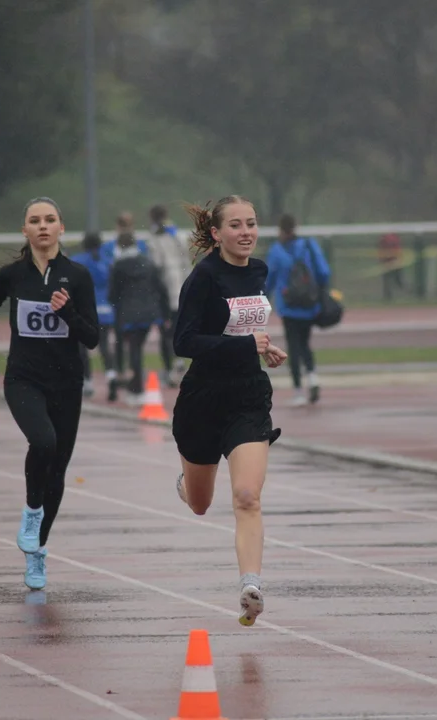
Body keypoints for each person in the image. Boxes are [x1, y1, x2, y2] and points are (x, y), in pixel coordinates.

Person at [0, 197, 99, 590]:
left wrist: (68, 314)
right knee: (42, 440)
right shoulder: (12, 275)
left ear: (61, 228)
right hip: (23, 378)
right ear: (24, 231)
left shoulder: (77, 276)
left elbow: (92, 338)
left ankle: (37, 550)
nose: (43, 226)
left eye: (50, 220)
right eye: (34, 221)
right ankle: (31, 511)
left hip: (67, 382)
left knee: (57, 469)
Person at [170, 194, 288, 627]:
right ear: (217, 234)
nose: (246, 233)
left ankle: (250, 585)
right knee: (201, 505)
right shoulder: (202, 278)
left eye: (252, 224)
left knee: (247, 496)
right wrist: (243, 346)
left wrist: (265, 348)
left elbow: (247, 329)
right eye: (236, 226)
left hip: (248, 397)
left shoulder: (259, 270)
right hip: (203, 400)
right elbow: (183, 342)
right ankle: (187, 480)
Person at [265, 213, 331, 406]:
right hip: (309, 305)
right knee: (305, 344)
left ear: (280, 230)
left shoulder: (276, 250)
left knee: (293, 347)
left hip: (289, 307)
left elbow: (269, 279)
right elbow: (324, 272)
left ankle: (298, 392)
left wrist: (263, 299)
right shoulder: (309, 246)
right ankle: (313, 378)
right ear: (296, 226)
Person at [109, 228, 170, 405]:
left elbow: (113, 292)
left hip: (128, 313)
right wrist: (164, 312)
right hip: (149, 311)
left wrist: (117, 305)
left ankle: (137, 389)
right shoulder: (147, 262)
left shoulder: (118, 266)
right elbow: (160, 288)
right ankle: (136, 387)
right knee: (138, 347)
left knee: (134, 350)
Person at [145, 204, 192, 387]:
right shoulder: (179, 235)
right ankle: (179, 361)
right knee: (179, 327)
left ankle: (170, 369)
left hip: (166, 290)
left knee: (165, 331)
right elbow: (187, 260)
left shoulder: (155, 239)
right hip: (184, 287)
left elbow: (156, 265)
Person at [71, 231, 118, 401]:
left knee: (82, 347)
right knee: (105, 346)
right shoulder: (107, 261)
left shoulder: (77, 261)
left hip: (85, 311)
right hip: (105, 310)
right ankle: (111, 376)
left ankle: (88, 382)